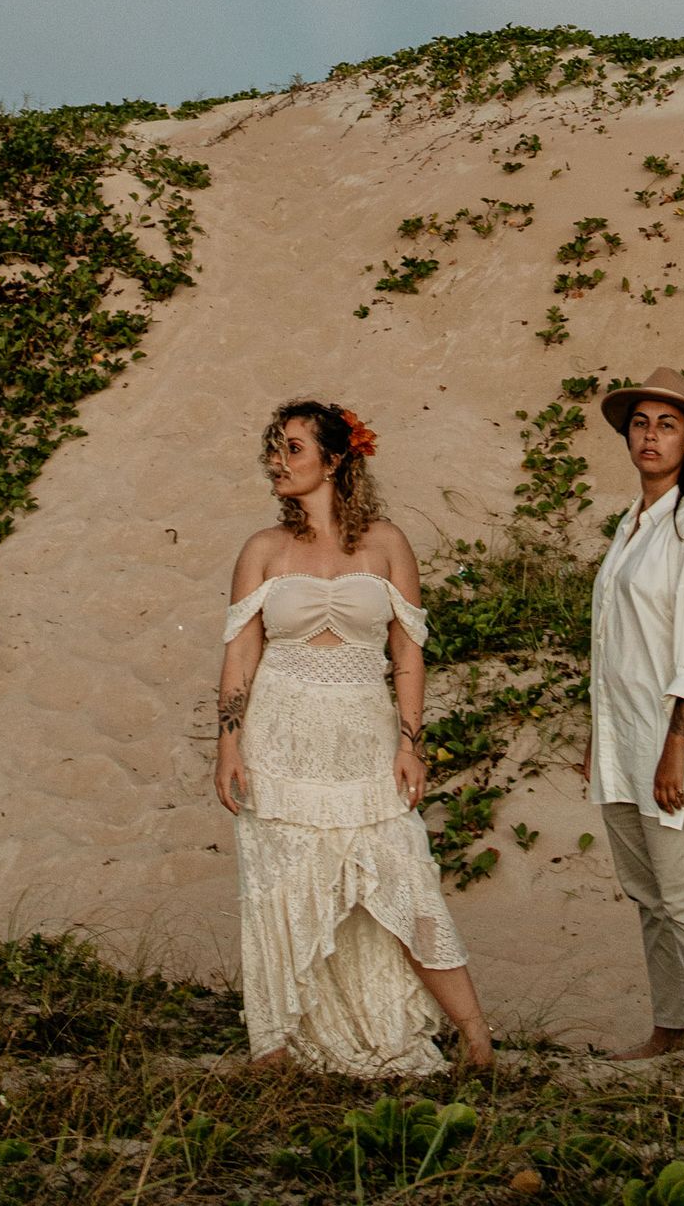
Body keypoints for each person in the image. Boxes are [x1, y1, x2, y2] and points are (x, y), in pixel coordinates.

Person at [213, 397, 494, 1074]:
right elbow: (240, 655)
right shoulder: (263, 549)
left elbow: (409, 654)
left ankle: (478, 1038)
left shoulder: (388, 543)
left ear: (336, 460)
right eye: (274, 448)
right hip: (281, 735)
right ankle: (274, 1046)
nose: (277, 462)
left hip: (365, 736)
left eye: (294, 449)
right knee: (279, 886)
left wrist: (410, 743)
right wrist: (228, 743)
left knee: (403, 875)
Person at [583, 367, 684, 1060]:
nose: (651, 435)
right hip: (624, 742)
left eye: (668, 425)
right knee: (648, 896)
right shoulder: (633, 525)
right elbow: (615, 647)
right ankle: (669, 1029)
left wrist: (675, 748)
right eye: (642, 424)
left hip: (669, 745)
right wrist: (600, 739)